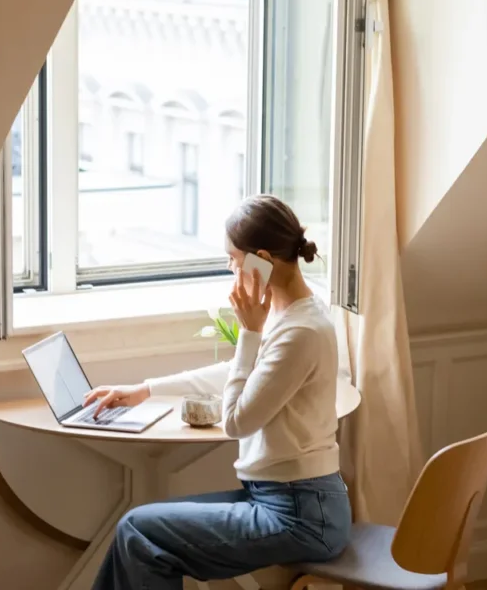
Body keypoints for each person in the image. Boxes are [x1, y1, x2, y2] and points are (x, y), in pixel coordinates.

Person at [84, 194, 351, 590]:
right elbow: (239, 373)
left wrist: (248, 331)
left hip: (301, 515)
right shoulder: (293, 311)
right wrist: (145, 390)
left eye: (232, 257)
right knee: (138, 528)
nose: (229, 267)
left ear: (261, 258)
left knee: (139, 532)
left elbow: (236, 421)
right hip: (286, 500)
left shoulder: (301, 332)